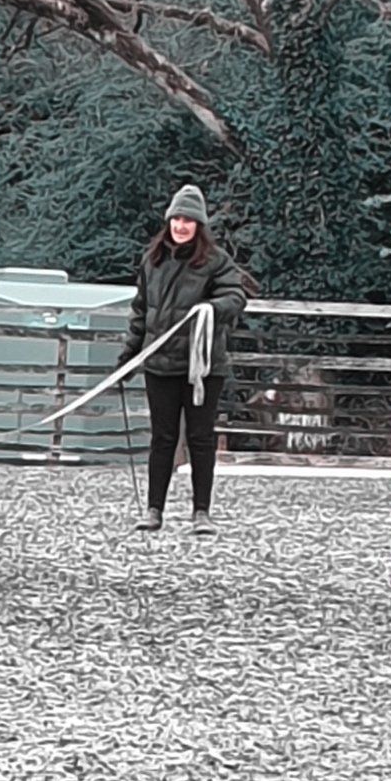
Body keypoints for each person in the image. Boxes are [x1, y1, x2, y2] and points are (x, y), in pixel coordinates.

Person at [117, 184, 248, 535]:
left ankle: (201, 511)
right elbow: (140, 313)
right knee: (162, 437)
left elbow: (236, 297)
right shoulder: (153, 261)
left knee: (201, 438)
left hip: (202, 367)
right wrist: (128, 358)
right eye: (177, 218)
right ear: (169, 222)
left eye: (188, 220)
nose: (181, 225)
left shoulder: (217, 262)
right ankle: (153, 509)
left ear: (198, 225)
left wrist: (210, 308)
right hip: (159, 365)